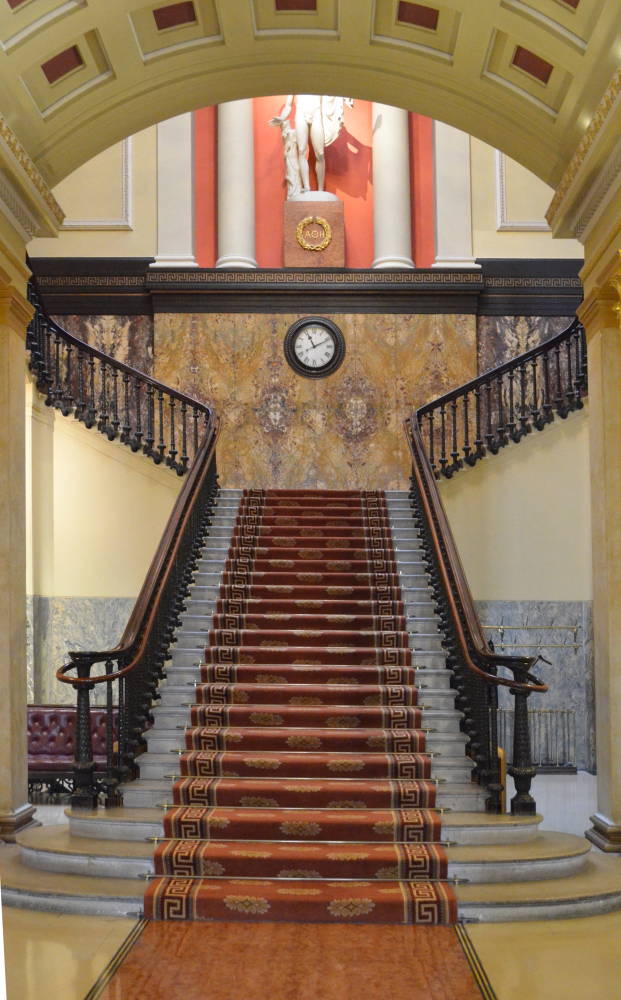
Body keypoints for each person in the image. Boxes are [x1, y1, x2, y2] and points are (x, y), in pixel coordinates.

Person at [269, 95, 353, 194]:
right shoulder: (294, 81)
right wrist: (282, 117)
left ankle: (321, 190)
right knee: (301, 150)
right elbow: (288, 105)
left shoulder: (319, 80)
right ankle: (307, 187)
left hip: (317, 113)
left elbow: (331, 90)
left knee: (320, 153)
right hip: (301, 114)